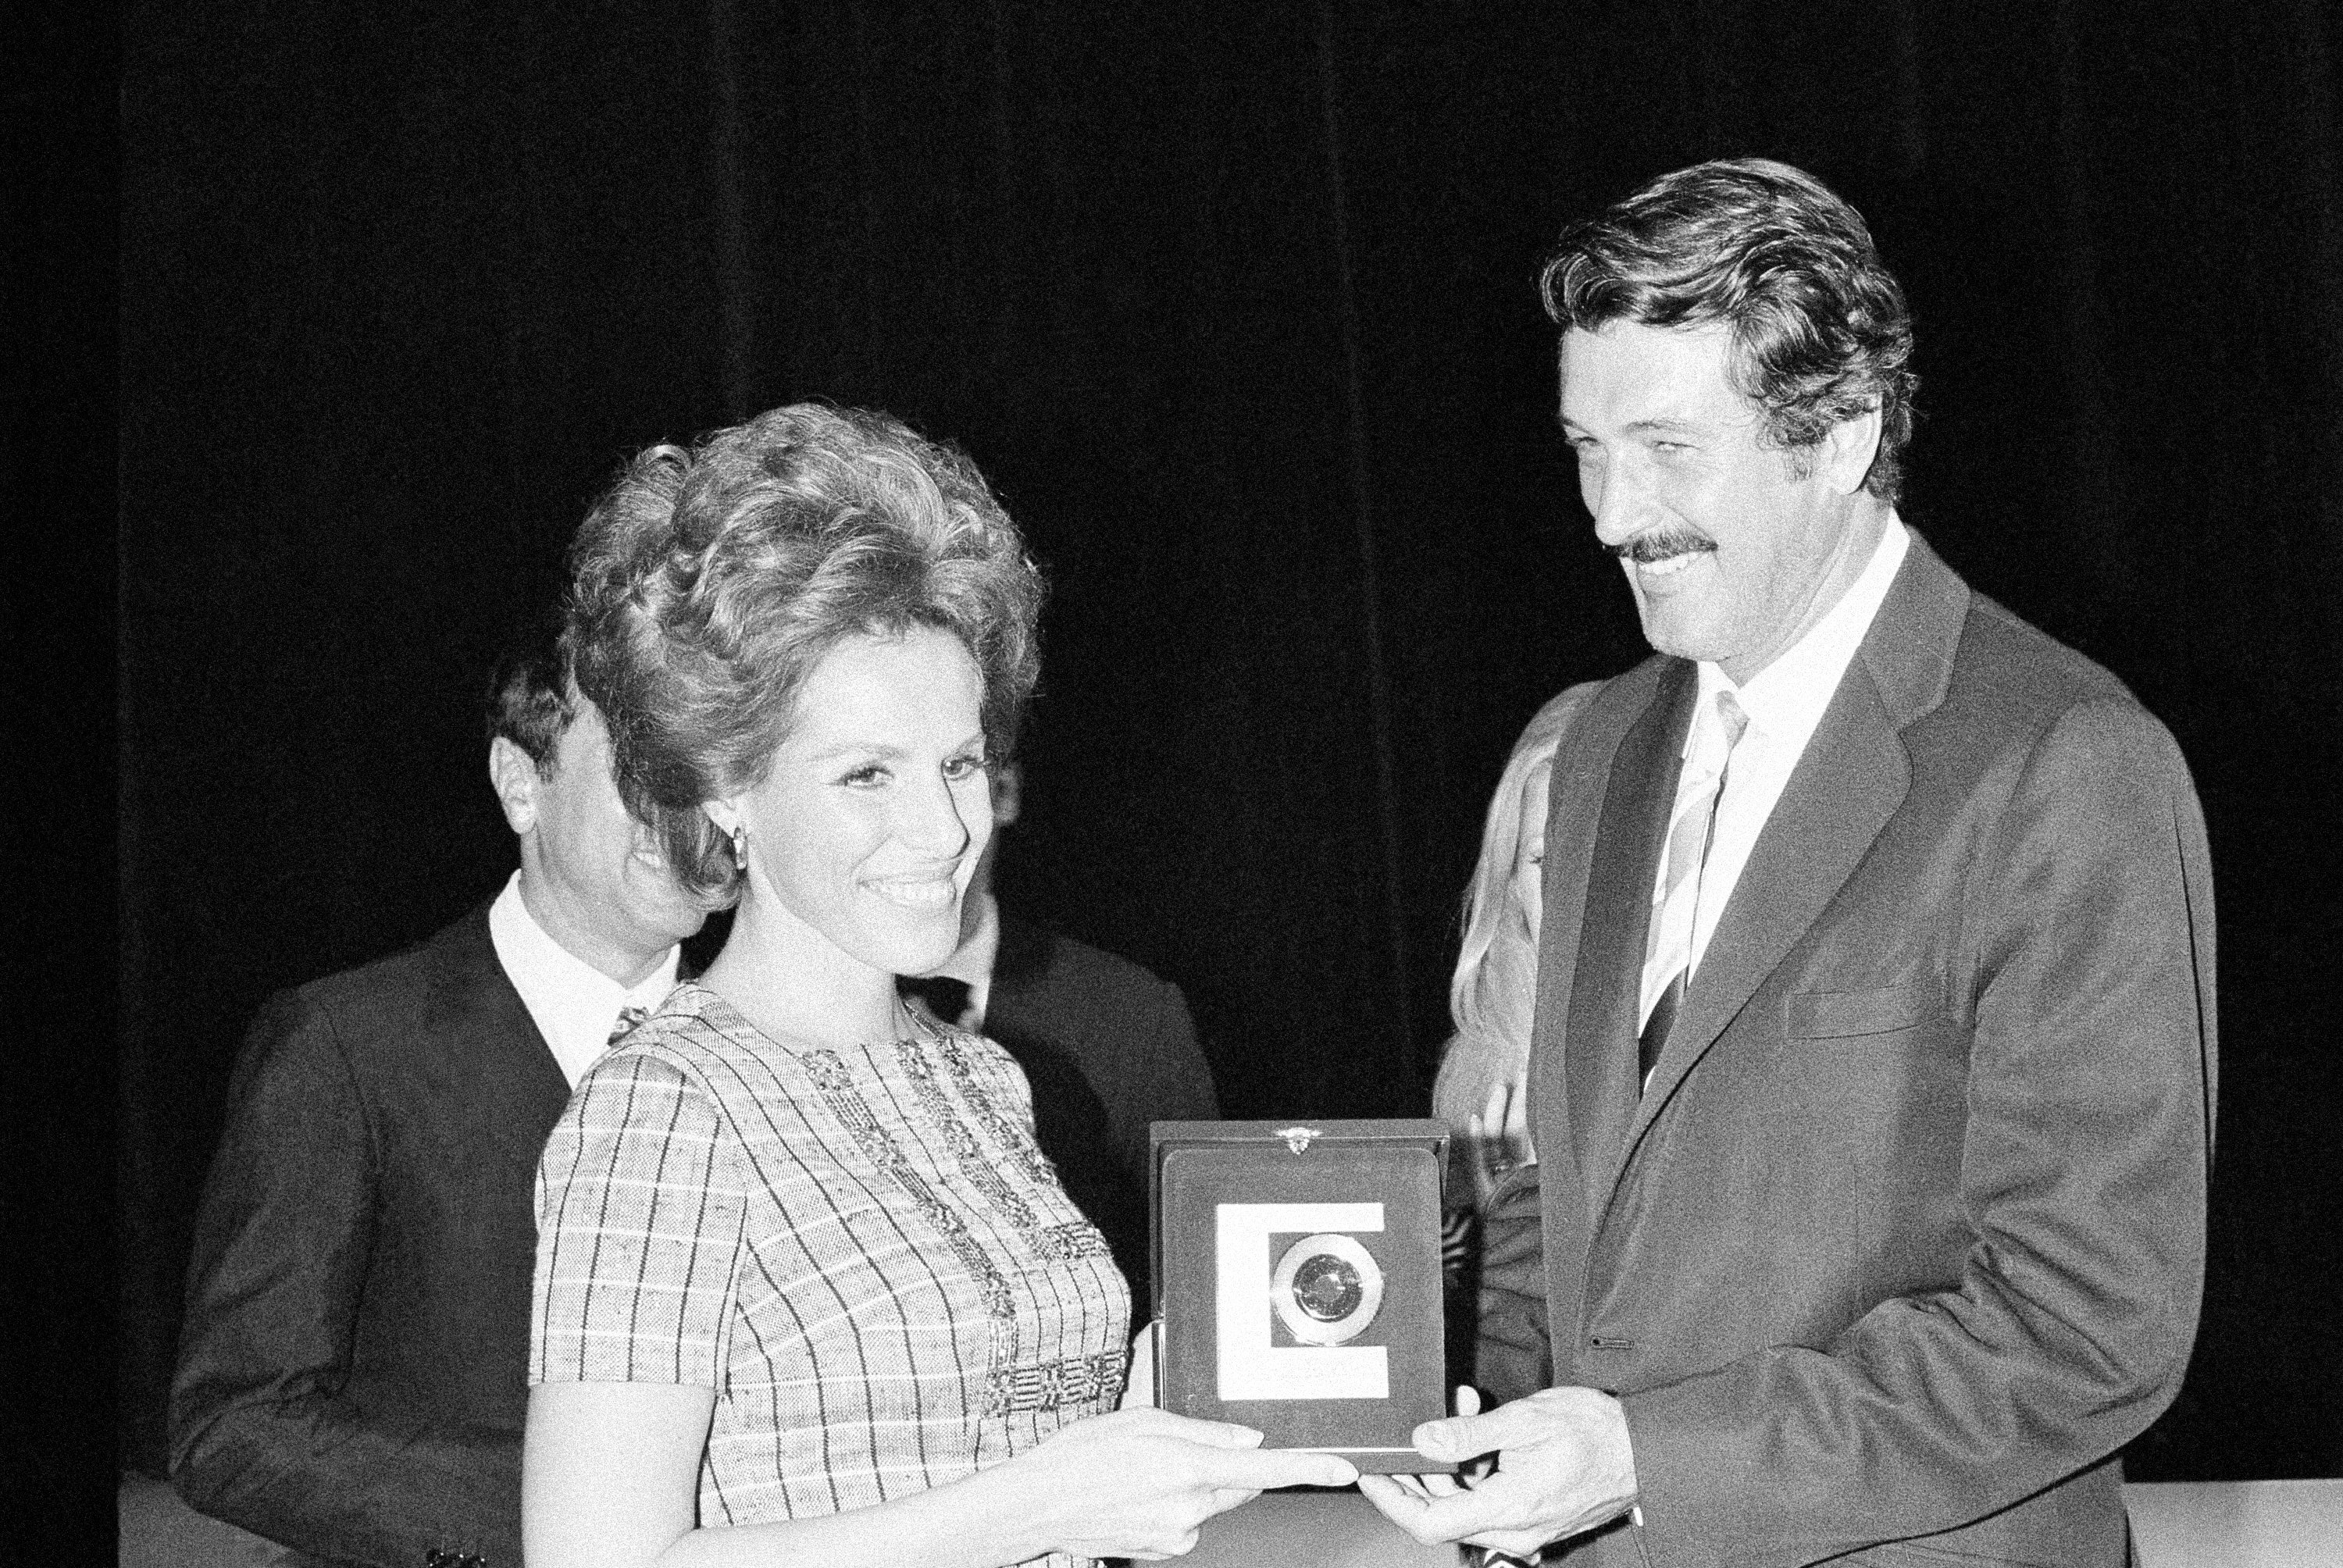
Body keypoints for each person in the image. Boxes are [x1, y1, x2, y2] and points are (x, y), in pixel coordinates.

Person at [1361, 159, 2216, 1567]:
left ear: (1839, 432)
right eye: (1584, 447)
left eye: (1665, 446)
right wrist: (1476, 1445)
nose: (1610, 511)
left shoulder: (2064, 759)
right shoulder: (1606, 746)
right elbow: (1575, 1222)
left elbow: (2087, 1324)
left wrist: (1644, 1459)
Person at [526, 402, 1353, 1568]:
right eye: (867, 772)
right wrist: (1042, 1503)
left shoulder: (982, 1077)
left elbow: (1009, 1444)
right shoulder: (664, 1112)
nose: (943, 828)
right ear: (725, 787)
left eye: (960, 762)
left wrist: (1187, 1399)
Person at [170, 627, 717, 1568]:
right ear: (520, 781)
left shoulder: (787, 1053)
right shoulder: (347, 1045)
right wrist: (583, 1514)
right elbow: (231, 1423)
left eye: (708, 759)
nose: (689, 806)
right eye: (642, 761)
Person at [899, 756, 1219, 1311]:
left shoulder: (1129, 1013)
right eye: (876, 778)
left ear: (1005, 791)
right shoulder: (770, 1021)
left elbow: (1201, 1280)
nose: (926, 829)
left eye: (955, 771)